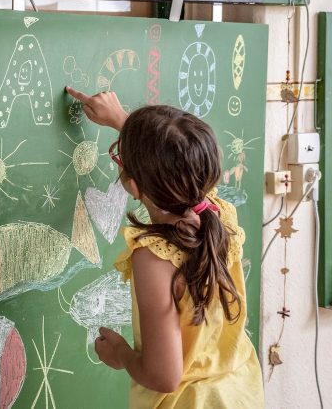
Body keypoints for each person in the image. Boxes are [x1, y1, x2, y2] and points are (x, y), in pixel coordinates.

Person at [65, 87, 264, 408]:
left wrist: (121, 354)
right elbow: (181, 160)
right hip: (237, 392)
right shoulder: (219, 214)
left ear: (133, 186)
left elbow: (164, 376)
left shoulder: (154, 259)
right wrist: (123, 122)